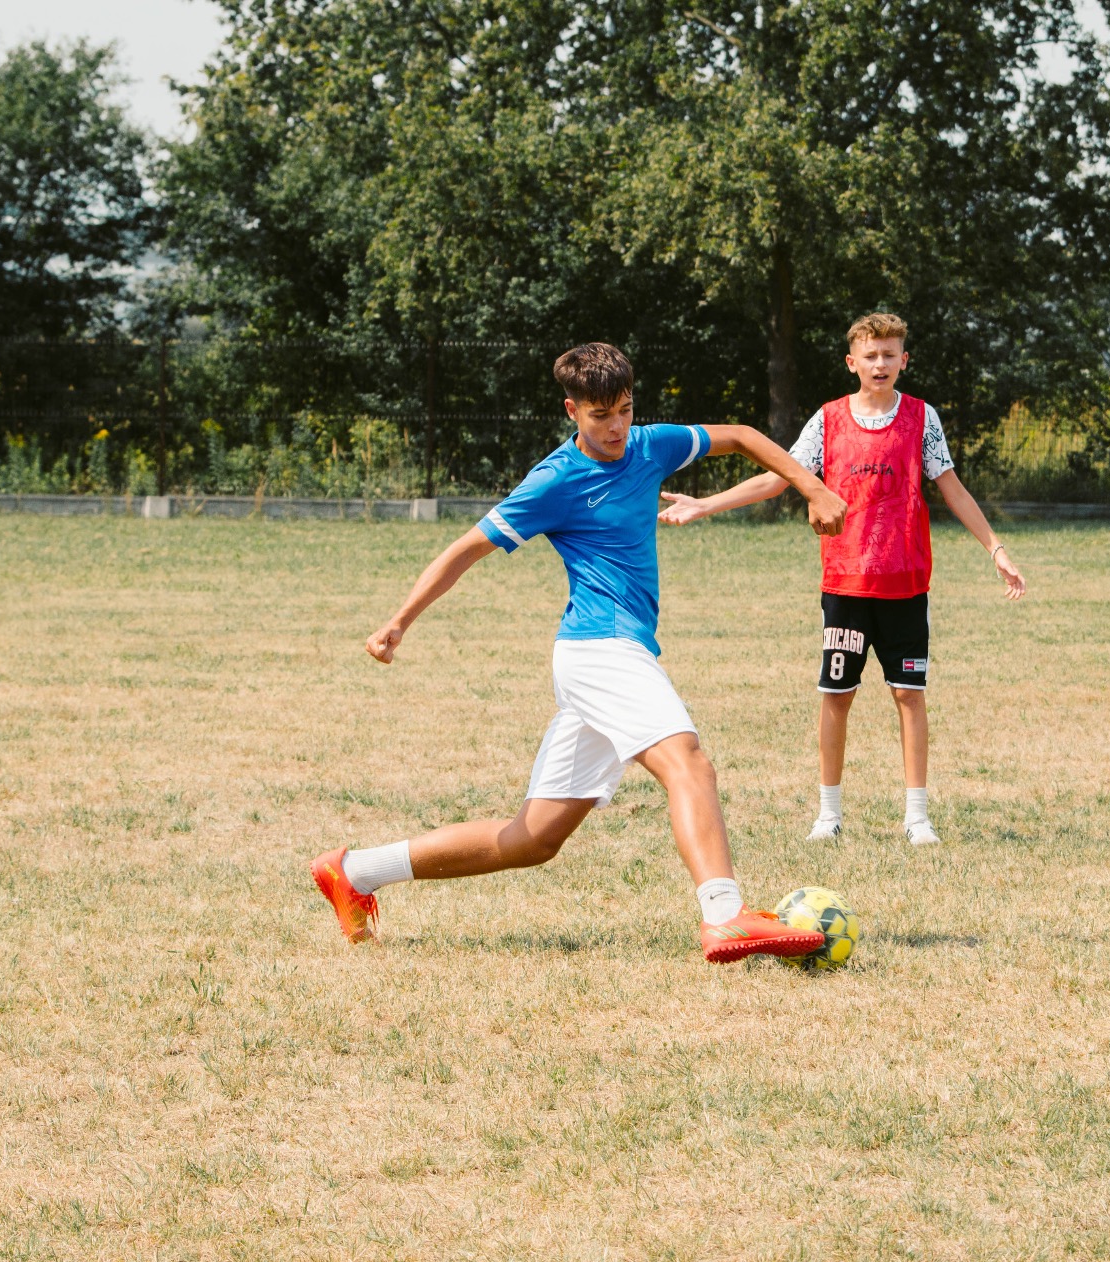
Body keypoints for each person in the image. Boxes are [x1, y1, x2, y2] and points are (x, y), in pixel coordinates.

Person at [308, 342, 851, 963]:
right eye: (599, 415)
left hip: (604, 656)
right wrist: (399, 621)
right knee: (689, 764)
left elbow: (745, 436)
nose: (616, 426)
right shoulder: (555, 480)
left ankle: (355, 870)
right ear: (572, 411)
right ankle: (725, 916)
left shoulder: (650, 444)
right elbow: (467, 547)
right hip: (600, 650)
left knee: (533, 838)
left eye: (623, 409)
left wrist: (812, 487)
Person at [657, 312, 1024, 846]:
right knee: (837, 696)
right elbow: (777, 477)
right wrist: (707, 504)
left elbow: (953, 489)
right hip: (846, 584)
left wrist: (996, 547)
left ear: (904, 359)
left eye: (890, 353)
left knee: (909, 695)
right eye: (870, 355)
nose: (880, 363)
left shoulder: (923, 419)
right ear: (852, 362)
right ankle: (828, 815)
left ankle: (917, 817)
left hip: (905, 585)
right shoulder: (828, 420)